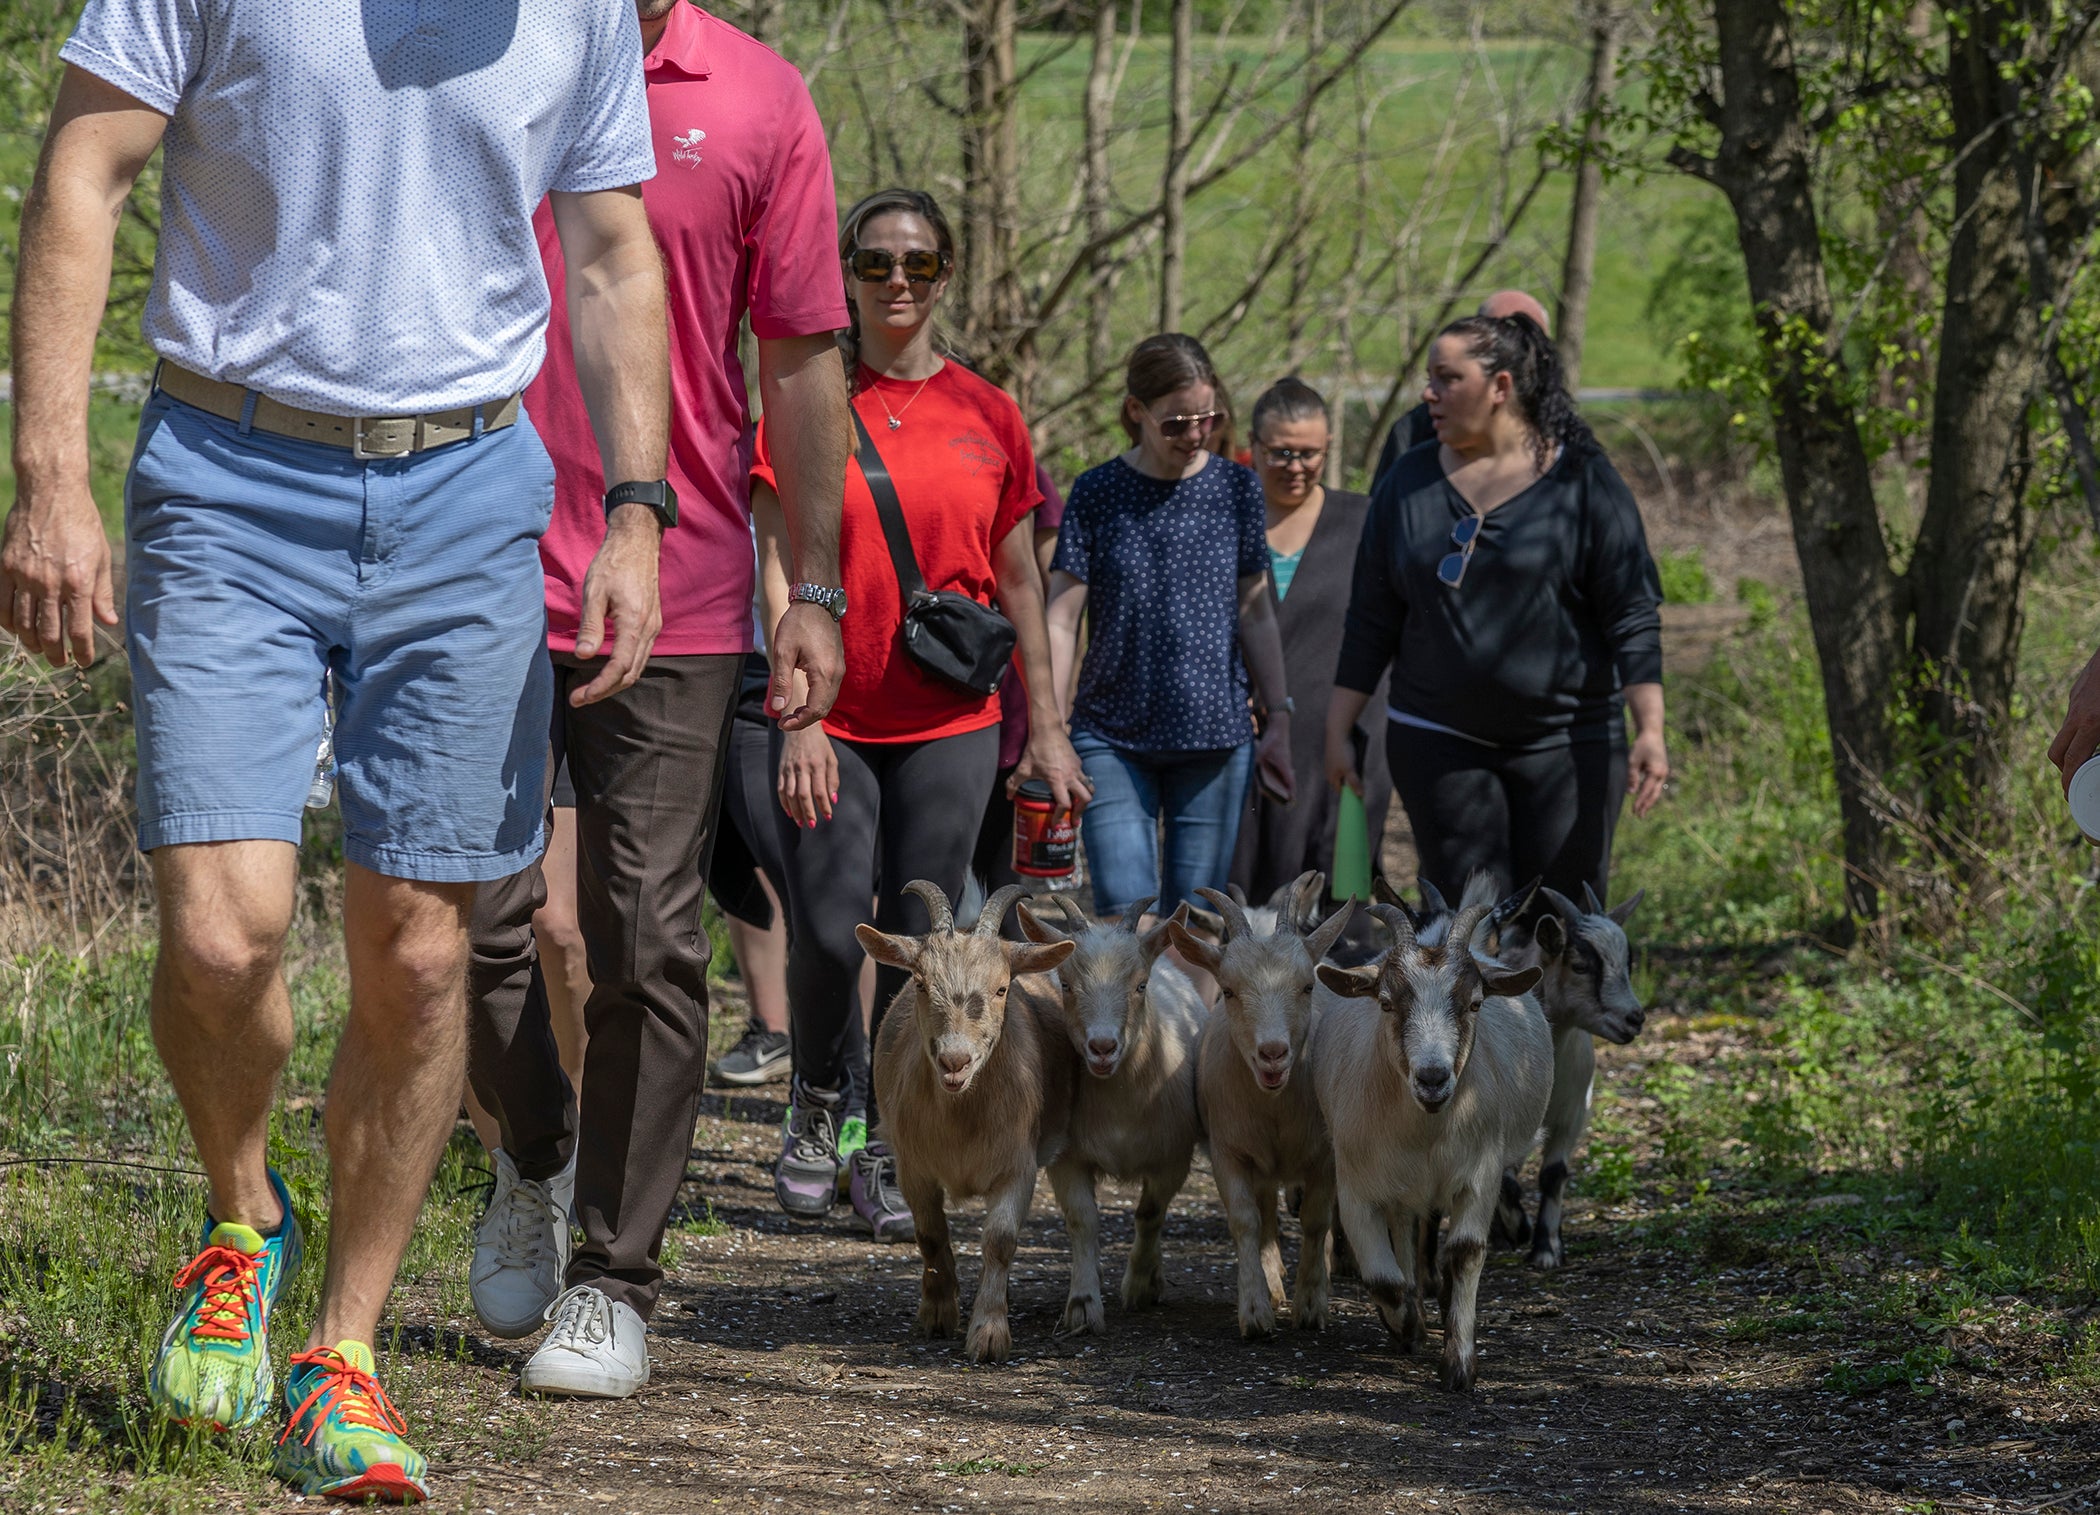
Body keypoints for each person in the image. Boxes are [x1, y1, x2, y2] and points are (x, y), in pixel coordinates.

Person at [0, 1, 668, 1500]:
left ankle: (340, 1355)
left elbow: (615, 252)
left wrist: (638, 508)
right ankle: (244, 1218)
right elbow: (84, 170)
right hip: (226, 473)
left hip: (466, 490)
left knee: (423, 956)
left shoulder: (578, 12)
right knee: (222, 935)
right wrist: (50, 472)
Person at [463, 0, 850, 1403]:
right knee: (462, 918)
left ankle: (613, 1278)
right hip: (468, 557)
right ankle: (535, 1153)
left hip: (673, 580)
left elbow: (800, 356)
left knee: (644, 935)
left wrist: (816, 587)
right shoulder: (471, 42)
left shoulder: (756, 95)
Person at [753, 187, 1088, 1241]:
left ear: (946, 275)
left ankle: (886, 1139)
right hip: (832, 714)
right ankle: (821, 1096)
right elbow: (775, 557)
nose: (898, 280)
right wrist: (796, 715)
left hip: (952, 721)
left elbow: (1021, 581)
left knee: (925, 941)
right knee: (826, 930)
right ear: (846, 274)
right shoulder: (806, 397)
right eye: (876, 262)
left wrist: (1048, 728)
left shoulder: (990, 412)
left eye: (920, 263)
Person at [1326, 313, 1669, 908]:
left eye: (1447, 378)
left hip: (1568, 744)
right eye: (1429, 377)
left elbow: (1632, 613)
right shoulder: (1407, 482)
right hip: (1437, 741)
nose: (1429, 393)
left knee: (1560, 929)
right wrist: (1337, 730)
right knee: (1465, 930)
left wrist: (1651, 729)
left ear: (1500, 387)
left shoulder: (1584, 482)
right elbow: (1370, 619)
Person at [1046, 335, 1296, 924]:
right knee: (1124, 918)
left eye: (1209, 419)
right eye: (1177, 422)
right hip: (1110, 734)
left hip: (1215, 737)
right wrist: (1050, 730)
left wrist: (1280, 716)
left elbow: (1256, 608)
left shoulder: (1237, 489)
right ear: (1137, 411)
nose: (1195, 435)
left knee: (1195, 927)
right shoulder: (1097, 491)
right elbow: (1061, 619)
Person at [1229, 378, 1393, 906]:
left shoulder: (1367, 521)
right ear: (1254, 445)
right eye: (1280, 453)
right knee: (1244, 907)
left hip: (1343, 741)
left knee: (1339, 903)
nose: (1295, 467)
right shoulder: (1225, 517)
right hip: (1242, 740)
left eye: (1310, 453)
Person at [971, 461, 1071, 934]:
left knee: (1003, 889)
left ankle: (1009, 978)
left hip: (1011, 705)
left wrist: (1055, 713)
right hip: (928, 708)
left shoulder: (1023, 470)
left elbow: (1057, 604)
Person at [1370, 290, 1553, 497]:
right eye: (1501, 337)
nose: (1429, 394)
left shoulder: (1568, 451)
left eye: (1529, 343)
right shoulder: (1413, 435)